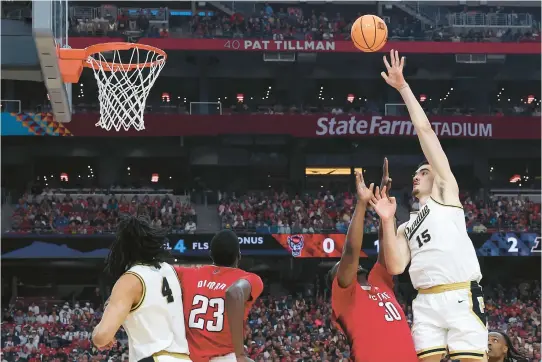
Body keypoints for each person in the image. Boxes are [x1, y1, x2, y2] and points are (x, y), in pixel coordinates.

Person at [373, 49, 487, 362]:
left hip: (460, 294)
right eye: (415, 173)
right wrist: (387, 220)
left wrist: (402, 88)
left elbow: (424, 132)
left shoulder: (447, 194)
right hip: (425, 301)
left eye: (423, 171)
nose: (417, 175)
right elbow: (396, 267)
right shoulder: (408, 224)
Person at [327, 160, 418, 362]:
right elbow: (351, 252)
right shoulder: (344, 296)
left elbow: (387, 242)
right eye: (340, 268)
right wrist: (361, 204)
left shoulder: (379, 282)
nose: (348, 267)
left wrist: (384, 210)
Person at [92, 215, 191, 362]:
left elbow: (102, 337)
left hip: (153, 357)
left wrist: (97, 333)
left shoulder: (130, 279)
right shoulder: (170, 271)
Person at [175, 229, 263, 362]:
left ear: (211, 254)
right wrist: (240, 355)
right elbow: (234, 292)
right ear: (238, 256)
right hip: (225, 357)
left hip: (189, 357)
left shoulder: (188, 273)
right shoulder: (251, 279)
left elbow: (159, 269)